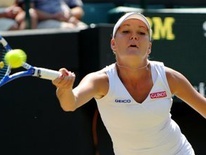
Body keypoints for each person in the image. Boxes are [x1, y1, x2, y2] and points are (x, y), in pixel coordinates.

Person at [52, 12, 206, 155]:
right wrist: (64, 89)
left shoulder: (169, 77)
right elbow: (69, 104)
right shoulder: (100, 81)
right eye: (126, 31)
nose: (134, 37)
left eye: (141, 33)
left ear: (149, 47)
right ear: (113, 44)